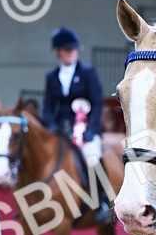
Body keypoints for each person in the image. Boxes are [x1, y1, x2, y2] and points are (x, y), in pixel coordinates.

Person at [42, 26, 111, 223]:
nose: (71, 53)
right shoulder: (52, 76)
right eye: (67, 50)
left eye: (74, 49)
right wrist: (51, 125)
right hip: (61, 128)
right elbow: (48, 105)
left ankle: (104, 200)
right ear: (58, 52)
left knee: (92, 155)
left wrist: (91, 129)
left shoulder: (87, 72)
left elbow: (98, 101)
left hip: (86, 126)